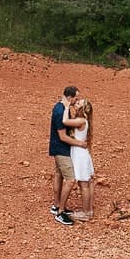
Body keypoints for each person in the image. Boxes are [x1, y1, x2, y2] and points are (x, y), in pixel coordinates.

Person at [48, 85, 78, 224]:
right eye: (76, 98)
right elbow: (63, 136)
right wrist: (79, 144)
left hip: (58, 149)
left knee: (59, 175)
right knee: (71, 179)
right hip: (62, 150)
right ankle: (61, 212)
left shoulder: (60, 108)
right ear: (70, 97)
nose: (76, 101)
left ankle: (56, 205)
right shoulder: (60, 111)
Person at [63, 98, 97, 220]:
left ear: (83, 109)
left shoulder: (81, 120)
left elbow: (65, 121)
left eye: (79, 103)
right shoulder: (84, 121)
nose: (76, 104)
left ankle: (86, 213)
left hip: (79, 155)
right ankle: (89, 210)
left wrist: (66, 106)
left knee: (83, 184)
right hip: (82, 153)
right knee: (87, 183)